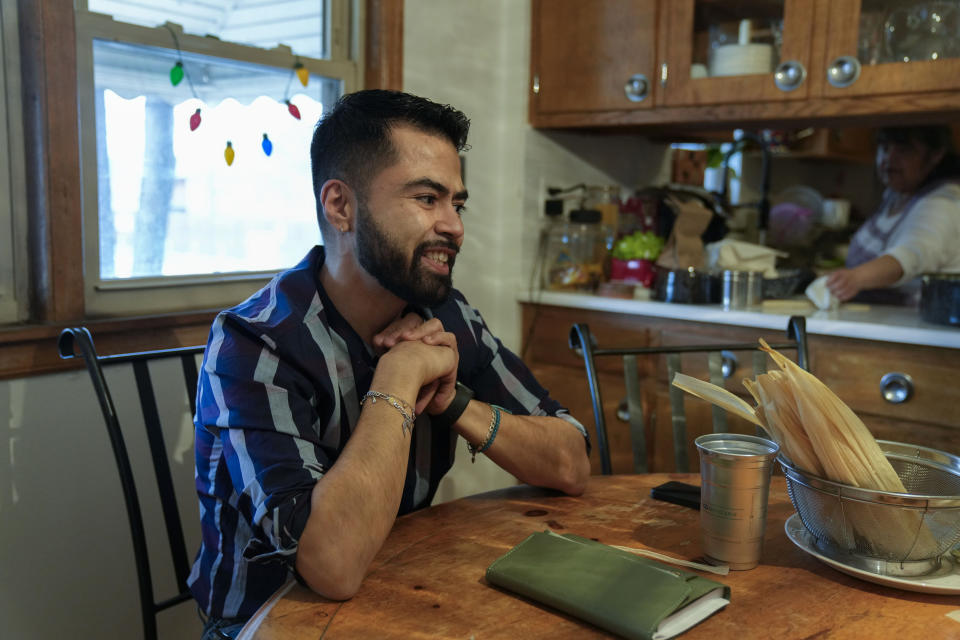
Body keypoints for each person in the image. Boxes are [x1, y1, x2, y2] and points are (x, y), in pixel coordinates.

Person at [189, 89, 592, 639]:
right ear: (341, 207)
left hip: (405, 598)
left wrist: (455, 403)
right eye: (427, 198)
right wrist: (401, 376)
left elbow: (571, 460)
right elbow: (330, 565)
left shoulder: (445, 314)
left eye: (458, 203)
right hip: (267, 625)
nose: (454, 226)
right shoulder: (256, 342)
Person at [826, 125, 960, 305]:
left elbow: (912, 254)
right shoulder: (896, 194)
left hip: (916, 326)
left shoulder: (944, 202)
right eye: (884, 147)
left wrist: (855, 278)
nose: (889, 158)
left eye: (904, 150)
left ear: (935, 155)